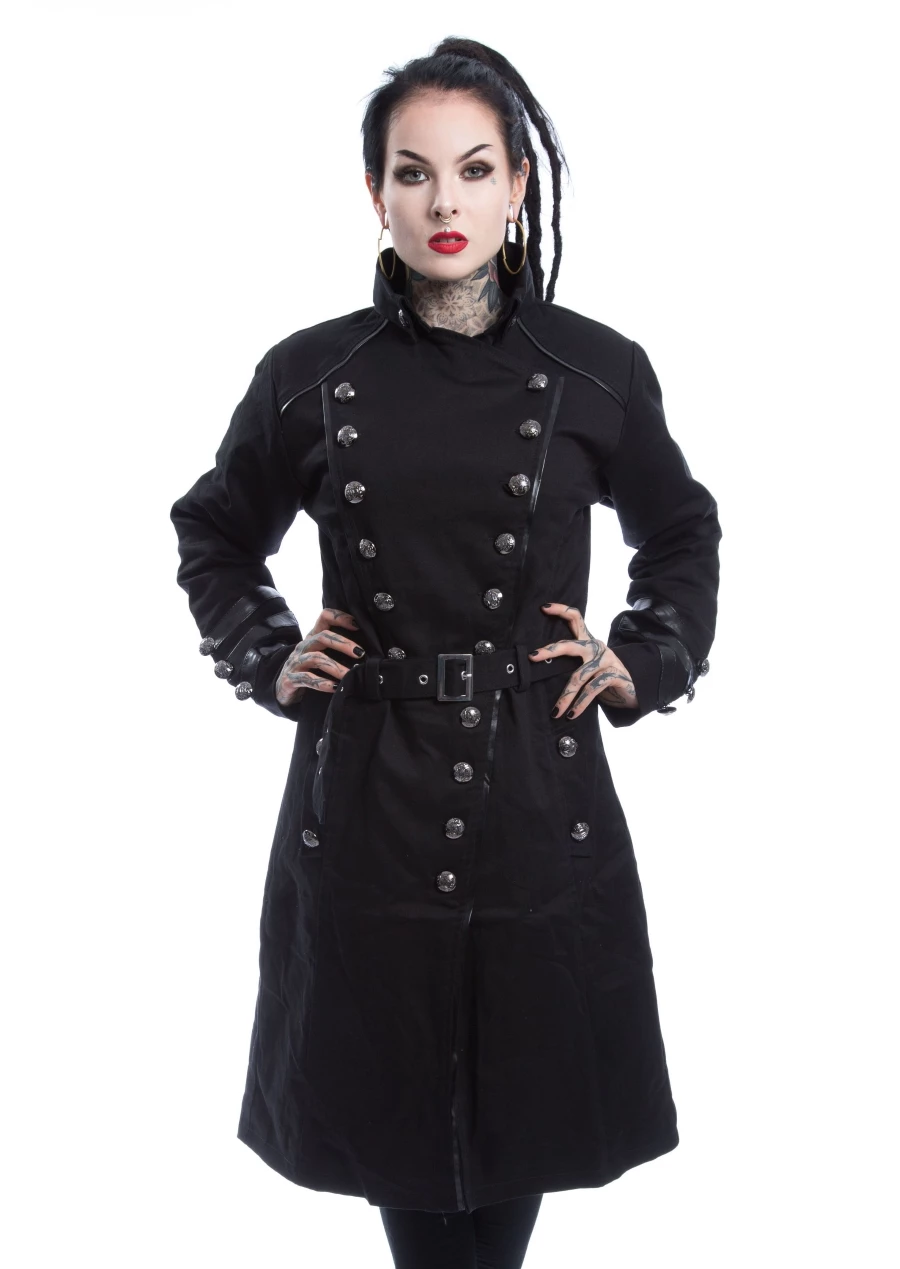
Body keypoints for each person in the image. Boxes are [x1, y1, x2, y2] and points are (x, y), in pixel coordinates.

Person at [170, 35, 721, 1269]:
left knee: (515, 1141)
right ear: (376, 192)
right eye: (412, 173)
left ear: (517, 184)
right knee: (403, 1153)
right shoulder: (310, 373)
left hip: (538, 793)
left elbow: (682, 531)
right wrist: (266, 653)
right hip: (367, 799)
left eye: (474, 170)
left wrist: (646, 658)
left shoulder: (595, 369)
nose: (443, 201)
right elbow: (214, 531)